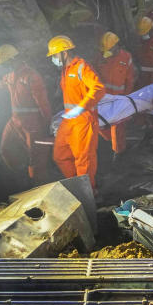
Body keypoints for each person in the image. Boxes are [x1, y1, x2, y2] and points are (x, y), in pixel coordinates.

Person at [0, 44, 52, 184]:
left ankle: (40, 187)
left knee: (36, 160)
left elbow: (43, 104)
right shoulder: (10, 76)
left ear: (12, 60)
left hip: (32, 123)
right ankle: (22, 177)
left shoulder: (31, 77)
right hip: (15, 121)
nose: (2, 67)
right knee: (5, 150)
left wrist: (47, 125)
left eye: (3, 63)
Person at [47, 35, 105, 190]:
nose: (53, 58)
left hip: (84, 119)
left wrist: (81, 107)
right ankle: (78, 186)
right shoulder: (65, 70)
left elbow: (98, 88)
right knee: (60, 155)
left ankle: (89, 194)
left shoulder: (82, 66)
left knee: (83, 160)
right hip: (69, 119)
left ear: (64, 53)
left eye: (54, 55)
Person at [96, 31, 136, 157]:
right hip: (103, 99)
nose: (107, 51)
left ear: (116, 46)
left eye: (110, 49)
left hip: (119, 99)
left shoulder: (126, 57)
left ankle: (118, 154)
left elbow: (130, 79)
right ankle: (108, 147)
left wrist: (127, 98)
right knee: (102, 125)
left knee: (117, 128)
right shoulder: (100, 58)